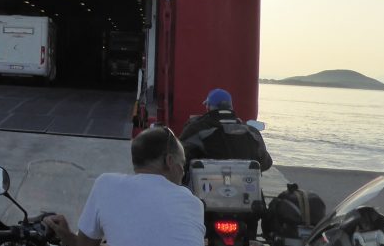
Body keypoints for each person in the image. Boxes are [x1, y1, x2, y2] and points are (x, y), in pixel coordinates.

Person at [43, 127, 204, 246]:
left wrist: (65, 235)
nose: (183, 171)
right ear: (169, 161)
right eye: (181, 163)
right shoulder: (194, 203)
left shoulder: (106, 184)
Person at [179, 88, 273, 171]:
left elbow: (179, 159)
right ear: (231, 107)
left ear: (208, 107)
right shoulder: (252, 132)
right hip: (246, 188)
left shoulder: (196, 129)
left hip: (204, 188)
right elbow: (266, 164)